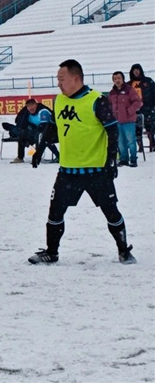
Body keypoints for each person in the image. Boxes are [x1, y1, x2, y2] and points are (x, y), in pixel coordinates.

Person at [28, 59, 135, 265]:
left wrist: (111, 159)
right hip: (68, 170)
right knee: (55, 212)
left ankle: (123, 250)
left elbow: (112, 130)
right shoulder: (59, 100)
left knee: (111, 212)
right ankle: (52, 252)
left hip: (97, 170)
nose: (58, 83)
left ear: (75, 79)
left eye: (62, 79)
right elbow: (53, 127)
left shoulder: (97, 100)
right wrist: (39, 150)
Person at [2, 98, 60, 164]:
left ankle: (58, 156)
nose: (30, 108)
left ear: (36, 105)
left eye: (32, 105)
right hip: (37, 132)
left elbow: (45, 126)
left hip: (54, 132)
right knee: (22, 135)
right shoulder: (27, 114)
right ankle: (20, 158)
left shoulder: (43, 111)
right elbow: (23, 125)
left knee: (43, 136)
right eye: (28, 106)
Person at [108, 72, 142, 167]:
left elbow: (138, 102)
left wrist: (129, 111)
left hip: (128, 121)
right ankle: (123, 159)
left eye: (119, 78)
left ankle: (133, 159)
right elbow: (109, 105)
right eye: (115, 79)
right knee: (120, 141)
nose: (117, 80)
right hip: (117, 122)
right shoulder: (112, 93)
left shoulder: (129, 90)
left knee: (131, 141)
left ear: (123, 79)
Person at [128, 63, 154, 152]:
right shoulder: (129, 84)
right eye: (134, 70)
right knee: (136, 129)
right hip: (134, 110)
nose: (136, 71)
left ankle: (152, 143)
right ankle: (140, 146)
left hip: (148, 108)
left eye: (137, 69)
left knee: (150, 127)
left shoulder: (148, 81)